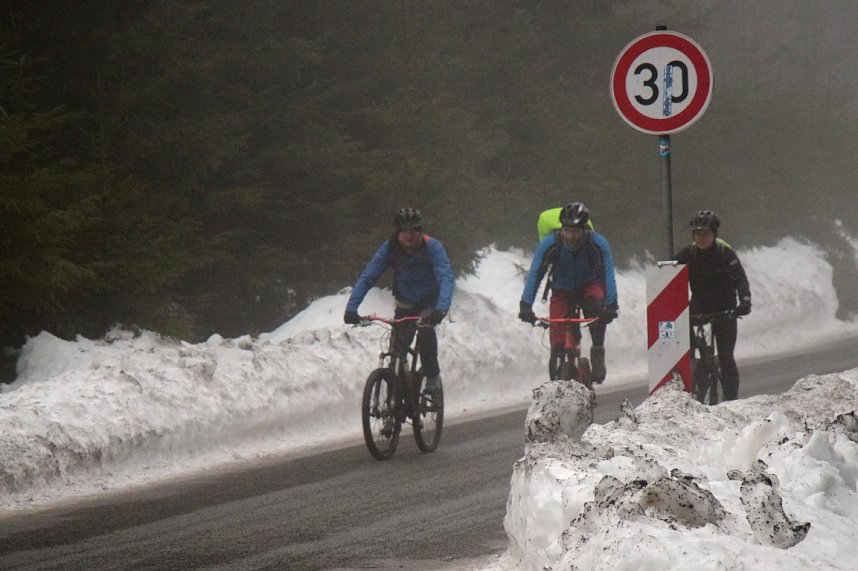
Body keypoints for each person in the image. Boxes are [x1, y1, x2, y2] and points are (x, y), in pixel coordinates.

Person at [344, 207, 455, 395]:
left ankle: (432, 375)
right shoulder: (390, 248)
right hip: (405, 303)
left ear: (420, 231)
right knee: (396, 350)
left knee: (425, 331)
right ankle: (396, 397)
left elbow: (446, 277)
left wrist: (442, 308)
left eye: (413, 230)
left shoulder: (433, 247)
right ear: (398, 233)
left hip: (430, 302)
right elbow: (368, 277)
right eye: (404, 231)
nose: (409, 236)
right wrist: (351, 309)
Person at [519, 202, 618, 383]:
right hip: (562, 291)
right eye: (567, 231)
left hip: (590, 285)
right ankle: (558, 364)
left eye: (575, 232)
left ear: (584, 230)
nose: (570, 236)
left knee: (596, 309)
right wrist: (525, 304)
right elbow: (536, 274)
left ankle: (597, 350)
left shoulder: (597, 243)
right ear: (561, 229)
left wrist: (611, 305)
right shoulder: (551, 244)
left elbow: (608, 274)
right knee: (557, 339)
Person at [675, 209, 752, 401]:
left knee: (726, 357)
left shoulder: (724, 253)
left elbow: (740, 279)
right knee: (681, 328)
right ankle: (694, 368)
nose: (701, 238)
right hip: (699, 305)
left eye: (706, 234)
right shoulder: (688, 254)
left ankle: (732, 400)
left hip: (725, 308)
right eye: (697, 234)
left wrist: (744, 301)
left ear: (714, 234)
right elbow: (670, 278)